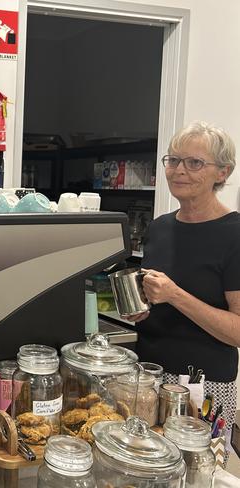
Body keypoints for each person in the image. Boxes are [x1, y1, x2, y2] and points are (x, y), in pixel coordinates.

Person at [130, 121, 240, 463]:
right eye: (173, 160)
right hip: (148, 375)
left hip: (204, 385)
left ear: (223, 172)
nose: (179, 171)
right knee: (147, 469)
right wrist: (141, 307)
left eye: (194, 163)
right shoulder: (160, 227)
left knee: (198, 472)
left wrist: (175, 294)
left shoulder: (234, 235)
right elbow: (156, 301)